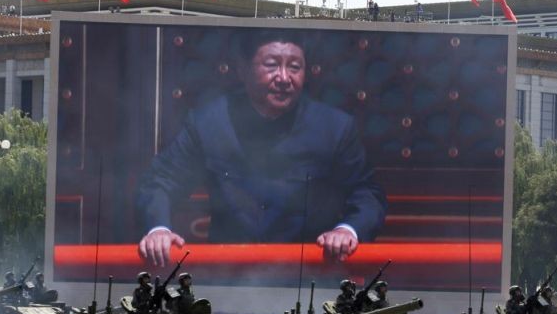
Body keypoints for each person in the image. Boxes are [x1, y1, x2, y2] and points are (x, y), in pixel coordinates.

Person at [137, 30, 387, 268]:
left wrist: (347, 229)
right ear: (243, 70)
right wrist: (159, 229)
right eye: (271, 65)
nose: (284, 77)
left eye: (294, 67)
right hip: (227, 275)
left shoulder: (335, 127)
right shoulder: (208, 123)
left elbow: (367, 194)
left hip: (310, 275)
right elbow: (160, 182)